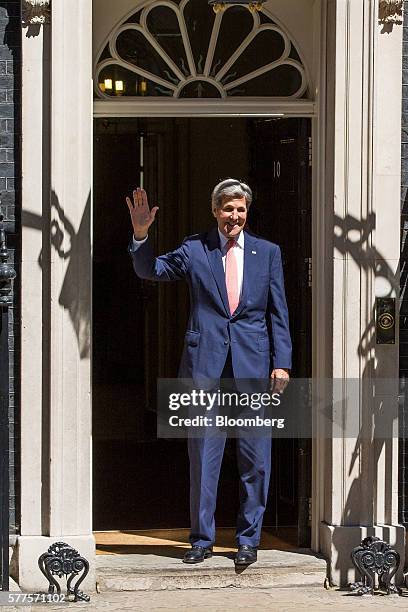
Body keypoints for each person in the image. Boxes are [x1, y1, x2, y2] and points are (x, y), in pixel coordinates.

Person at [126, 179, 292, 566]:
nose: (234, 216)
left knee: (256, 458)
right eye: (228, 209)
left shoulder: (267, 252)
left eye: (241, 210)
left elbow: (278, 312)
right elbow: (151, 270)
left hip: (254, 368)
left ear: (246, 212)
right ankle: (201, 539)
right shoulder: (195, 249)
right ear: (215, 210)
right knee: (204, 456)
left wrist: (281, 362)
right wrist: (140, 235)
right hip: (205, 368)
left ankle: (248, 539)